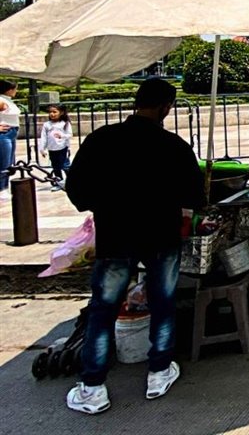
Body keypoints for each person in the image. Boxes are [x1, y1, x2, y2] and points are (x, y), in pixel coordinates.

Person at [64, 78, 205, 414]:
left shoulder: (101, 140)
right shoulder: (173, 146)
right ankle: (159, 371)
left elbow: (77, 191)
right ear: (165, 108)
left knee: (103, 310)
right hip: (161, 236)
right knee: (163, 301)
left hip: (115, 236)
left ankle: (93, 387)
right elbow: (195, 197)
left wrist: (105, 204)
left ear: (135, 102)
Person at [40, 103, 72, 190]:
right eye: (50, 112)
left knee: (65, 166)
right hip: (52, 149)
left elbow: (69, 135)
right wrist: (42, 148)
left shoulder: (65, 123)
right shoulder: (47, 124)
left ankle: (72, 181)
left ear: (61, 112)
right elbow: (43, 137)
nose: (52, 114)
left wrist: (62, 135)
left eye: (54, 112)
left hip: (63, 148)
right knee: (56, 167)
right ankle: (59, 182)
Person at [0, 80, 21, 201]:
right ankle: (2, 189)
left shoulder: (7, 100)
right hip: (5, 134)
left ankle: (4, 187)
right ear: (9, 89)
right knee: (4, 163)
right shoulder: (1, 100)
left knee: (8, 163)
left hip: (11, 133)